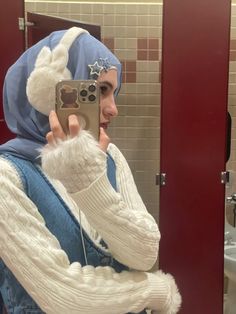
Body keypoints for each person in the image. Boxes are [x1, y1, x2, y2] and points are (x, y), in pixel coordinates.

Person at [0, 27, 181, 314]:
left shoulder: (109, 156)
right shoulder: (7, 175)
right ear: (50, 93)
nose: (113, 109)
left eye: (114, 92)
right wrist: (153, 289)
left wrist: (90, 183)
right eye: (100, 91)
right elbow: (64, 296)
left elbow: (144, 254)